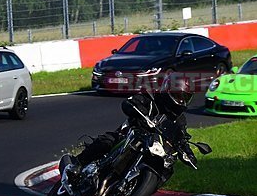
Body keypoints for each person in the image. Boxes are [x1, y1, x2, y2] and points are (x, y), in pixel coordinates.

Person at [60, 73, 193, 178]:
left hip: (154, 149)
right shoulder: (151, 98)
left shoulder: (179, 119)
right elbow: (130, 103)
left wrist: (188, 153)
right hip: (128, 135)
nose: (181, 100)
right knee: (107, 141)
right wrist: (136, 109)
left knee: (167, 168)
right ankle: (77, 164)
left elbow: (182, 137)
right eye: (178, 95)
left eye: (185, 98)